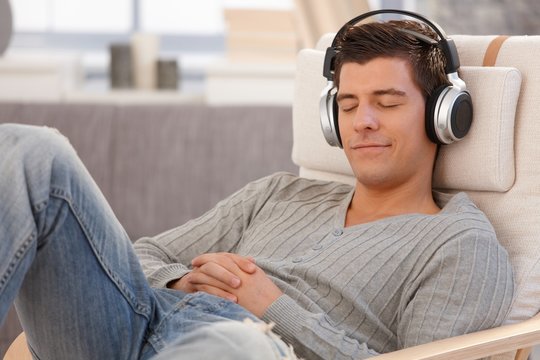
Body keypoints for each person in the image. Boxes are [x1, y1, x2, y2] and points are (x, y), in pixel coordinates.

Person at [0, 13, 513, 360]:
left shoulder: (460, 245)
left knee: (230, 344)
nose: (363, 122)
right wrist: (184, 281)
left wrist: (270, 306)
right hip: (139, 321)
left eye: (388, 102)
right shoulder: (278, 193)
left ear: (445, 116)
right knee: (32, 150)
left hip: (242, 346)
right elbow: (144, 255)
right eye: (349, 105)